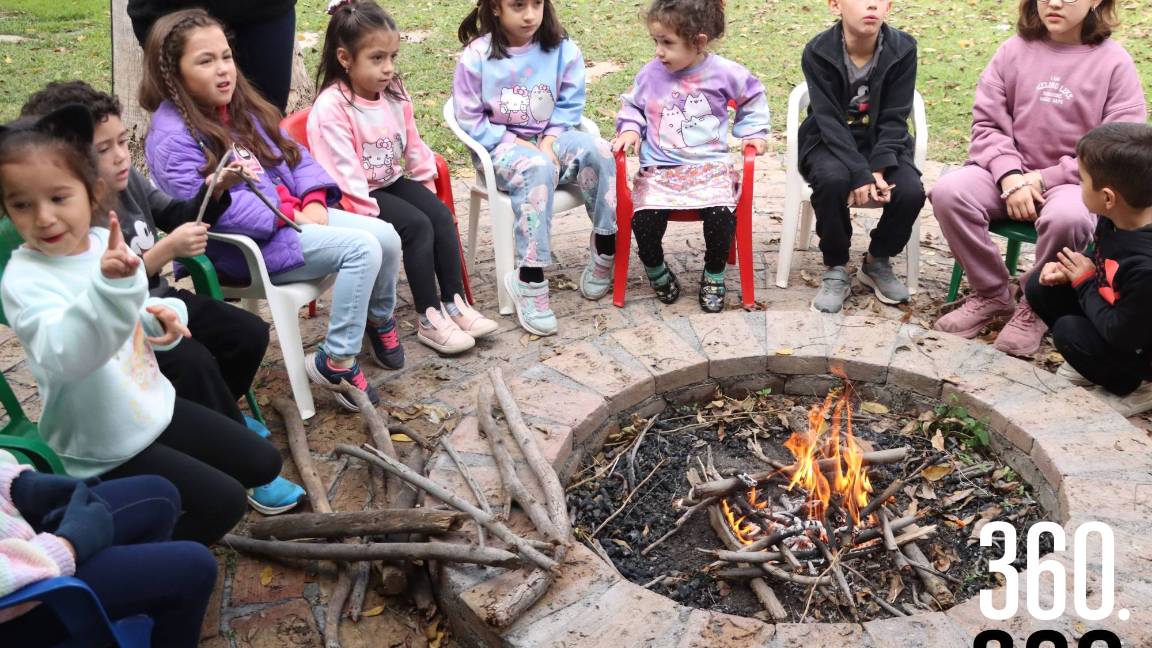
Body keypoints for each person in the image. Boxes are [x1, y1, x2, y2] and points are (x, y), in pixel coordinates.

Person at [0, 105, 284, 544]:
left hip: (150, 406)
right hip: (103, 442)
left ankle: (155, 503)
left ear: (91, 192)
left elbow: (130, 309)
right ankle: (119, 549)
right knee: (225, 502)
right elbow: (68, 356)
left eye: (59, 198)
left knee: (263, 463)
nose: (43, 218)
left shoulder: (99, 243)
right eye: (21, 204)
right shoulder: (24, 281)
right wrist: (111, 290)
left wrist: (161, 317)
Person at [141, 9, 404, 412]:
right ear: (173, 73)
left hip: (292, 222)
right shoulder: (172, 138)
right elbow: (214, 211)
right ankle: (336, 361)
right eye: (205, 61)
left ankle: (377, 318)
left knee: (385, 235)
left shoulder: (239, 105)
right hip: (249, 249)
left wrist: (314, 198)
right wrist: (290, 213)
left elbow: (293, 156)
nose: (223, 70)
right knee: (361, 249)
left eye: (226, 56)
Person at [931, 0, 1146, 356]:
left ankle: (1036, 302)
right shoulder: (1013, 50)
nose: (1055, 3)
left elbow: (1118, 147)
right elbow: (986, 126)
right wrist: (1011, 176)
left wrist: (1041, 179)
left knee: (1070, 217)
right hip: (1005, 172)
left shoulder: (1114, 63)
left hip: (1074, 181)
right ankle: (992, 294)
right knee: (949, 192)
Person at [308, 0, 497, 354]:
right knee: (416, 225)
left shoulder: (394, 93)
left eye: (393, 57)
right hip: (352, 197)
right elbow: (343, 174)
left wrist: (426, 186)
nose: (388, 68)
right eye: (377, 58)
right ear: (345, 58)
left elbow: (413, 145)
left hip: (388, 181)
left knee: (438, 216)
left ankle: (454, 304)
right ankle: (428, 317)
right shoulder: (332, 107)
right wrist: (369, 214)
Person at [453, 0, 617, 336]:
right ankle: (529, 277)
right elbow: (468, 116)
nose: (529, 14)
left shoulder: (562, 49)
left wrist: (549, 139)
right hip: (501, 151)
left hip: (550, 142)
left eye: (537, 4)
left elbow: (571, 103)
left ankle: (605, 245)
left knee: (600, 150)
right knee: (537, 169)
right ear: (496, 8)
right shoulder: (477, 56)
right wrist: (513, 141)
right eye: (517, 5)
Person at [613, 0, 769, 312]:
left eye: (668, 43)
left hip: (709, 169)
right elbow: (633, 106)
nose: (659, 51)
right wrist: (630, 128)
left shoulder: (724, 73)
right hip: (660, 171)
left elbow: (752, 96)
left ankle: (714, 273)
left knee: (721, 216)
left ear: (698, 42)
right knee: (644, 221)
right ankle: (656, 269)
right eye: (656, 41)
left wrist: (753, 133)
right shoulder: (651, 74)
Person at [0, 451, 217, 648]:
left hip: (22, 536)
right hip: (20, 598)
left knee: (161, 496)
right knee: (195, 568)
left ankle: (136, 622)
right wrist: (68, 544)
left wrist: (19, 484)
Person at [798, 0, 926, 314]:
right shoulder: (818, 51)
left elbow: (895, 117)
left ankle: (876, 261)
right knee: (832, 181)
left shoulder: (902, 48)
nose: (871, 5)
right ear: (835, 5)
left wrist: (879, 167)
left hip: (881, 142)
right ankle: (837, 265)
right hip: (828, 140)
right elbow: (828, 120)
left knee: (910, 191)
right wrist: (859, 173)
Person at [1026, 123, 1152, 399]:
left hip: (1139, 345)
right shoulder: (1116, 217)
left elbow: (1122, 333)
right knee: (1040, 286)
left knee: (1069, 333)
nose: (1079, 184)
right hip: (1120, 310)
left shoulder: (1145, 267)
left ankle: (1136, 386)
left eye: (1082, 180)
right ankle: (1095, 363)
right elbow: (1102, 257)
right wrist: (1073, 270)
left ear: (1108, 197)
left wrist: (1083, 281)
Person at [127, 0, 297, 113]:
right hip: (170, 10)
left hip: (263, 11)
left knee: (267, 121)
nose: (223, 69)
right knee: (189, 126)